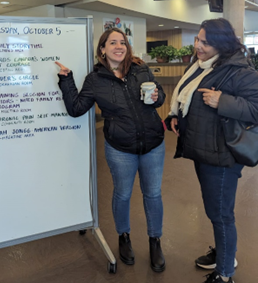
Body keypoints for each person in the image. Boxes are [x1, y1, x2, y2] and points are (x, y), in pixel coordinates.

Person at [55, 27, 166, 272]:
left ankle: (155, 240)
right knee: (123, 194)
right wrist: (66, 80)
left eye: (122, 42)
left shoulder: (141, 69)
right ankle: (123, 236)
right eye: (113, 42)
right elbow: (76, 108)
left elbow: (160, 98)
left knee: (153, 194)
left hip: (153, 144)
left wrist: (158, 96)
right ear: (102, 49)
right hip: (120, 148)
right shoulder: (95, 80)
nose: (119, 46)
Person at [165, 18, 258, 283]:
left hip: (222, 155)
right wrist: (175, 116)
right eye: (198, 39)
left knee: (220, 213)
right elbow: (187, 95)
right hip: (205, 150)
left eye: (206, 42)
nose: (198, 46)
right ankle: (224, 253)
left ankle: (225, 271)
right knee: (215, 210)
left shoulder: (240, 71)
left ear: (222, 43)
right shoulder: (202, 66)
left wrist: (223, 101)